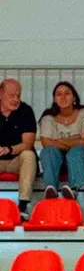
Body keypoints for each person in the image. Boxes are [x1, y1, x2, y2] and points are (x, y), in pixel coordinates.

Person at [38, 81, 84, 200]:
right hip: (59, 161)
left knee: (76, 151)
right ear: (54, 99)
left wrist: (58, 140)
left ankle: (73, 190)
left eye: (67, 93)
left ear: (74, 97)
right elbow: (46, 143)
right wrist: (75, 139)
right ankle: (51, 190)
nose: (63, 97)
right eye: (59, 94)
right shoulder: (48, 118)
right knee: (48, 152)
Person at [0, 78, 37, 217]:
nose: (16, 99)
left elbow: (28, 143)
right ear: (0, 94)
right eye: (11, 95)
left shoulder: (25, 111)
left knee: (29, 155)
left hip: (16, 160)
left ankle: (22, 206)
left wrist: (8, 149)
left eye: (18, 95)